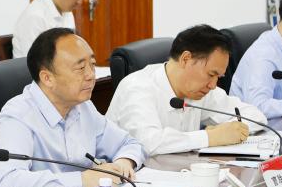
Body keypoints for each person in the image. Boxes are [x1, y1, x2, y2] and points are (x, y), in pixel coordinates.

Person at [0, 28, 145, 187]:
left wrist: (122, 165)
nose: (91, 75)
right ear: (47, 78)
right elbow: (8, 183)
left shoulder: (83, 107)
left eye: (92, 64)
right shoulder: (16, 118)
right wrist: (83, 180)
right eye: (80, 68)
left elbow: (129, 143)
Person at [106, 25, 267, 155]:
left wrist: (230, 129)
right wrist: (210, 137)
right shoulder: (137, 87)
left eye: (219, 77)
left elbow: (256, 116)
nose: (213, 85)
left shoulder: (200, 90)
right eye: (211, 74)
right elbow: (149, 144)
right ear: (186, 59)